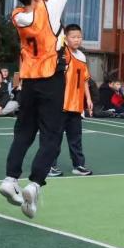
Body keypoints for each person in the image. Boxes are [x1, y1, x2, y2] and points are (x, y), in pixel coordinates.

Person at [0, 0, 78, 219]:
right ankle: (34, 183)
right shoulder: (50, 10)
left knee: (24, 132)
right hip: (51, 80)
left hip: (29, 82)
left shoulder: (18, 16)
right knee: (52, 135)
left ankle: (10, 178)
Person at [49, 24, 94, 177]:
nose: (77, 40)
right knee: (55, 137)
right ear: (66, 38)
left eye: (79, 37)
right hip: (61, 103)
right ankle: (49, 165)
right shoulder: (63, 53)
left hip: (76, 105)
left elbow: (85, 80)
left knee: (76, 138)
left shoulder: (82, 56)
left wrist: (88, 98)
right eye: (73, 37)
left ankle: (78, 165)